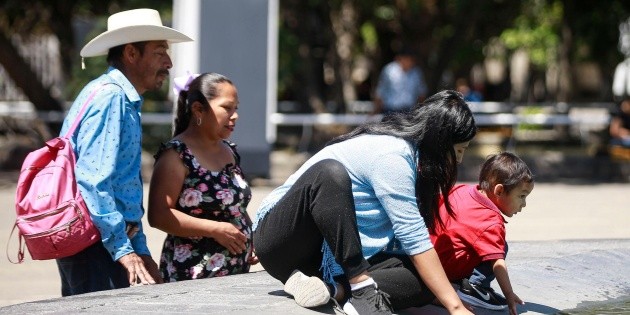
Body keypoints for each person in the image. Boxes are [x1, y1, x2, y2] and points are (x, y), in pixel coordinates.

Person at [253, 90, 477, 315]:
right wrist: (455, 307)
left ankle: (331, 290)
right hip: (282, 242)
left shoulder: (415, 162)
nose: (459, 160)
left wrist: (444, 292)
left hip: (322, 262)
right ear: (439, 142)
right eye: (458, 150)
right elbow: (412, 235)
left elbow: (415, 249)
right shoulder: (393, 154)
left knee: (428, 277)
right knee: (330, 173)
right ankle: (361, 289)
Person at [55, 8, 192, 296]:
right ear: (131, 53)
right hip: (97, 246)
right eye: (159, 52)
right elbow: (94, 181)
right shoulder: (111, 98)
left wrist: (138, 249)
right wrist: (122, 250)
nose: (168, 62)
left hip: (102, 244)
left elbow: (122, 186)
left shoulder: (119, 97)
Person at [147, 73, 258, 282]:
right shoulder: (176, 155)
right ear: (198, 109)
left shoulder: (230, 151)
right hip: (193, 277)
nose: (235, 116)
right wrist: (215, 230)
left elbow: (235, 208)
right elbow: (159, 215)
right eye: (227, 108)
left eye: (236, 108)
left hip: (235, 275)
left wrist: (253, 238)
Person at [430, 152, 533, 315]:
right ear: (499, 191)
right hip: (446, 268)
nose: (524, 204)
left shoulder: (462, 190)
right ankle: (474, 287)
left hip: (428, 260)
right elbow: (497, 263)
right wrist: (509, 294)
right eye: (521, 196)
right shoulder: (491, 221)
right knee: (500, 247)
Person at [373, 46, 427, 115]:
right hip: (390, 110)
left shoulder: (416, 73)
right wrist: (376, 109)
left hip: (409, 110)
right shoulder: (389, 70)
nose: (409, 62)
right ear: (400, 58)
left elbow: (421, 93)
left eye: (411, 60)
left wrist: (421, 110)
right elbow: (381, 91)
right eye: (407, 59)